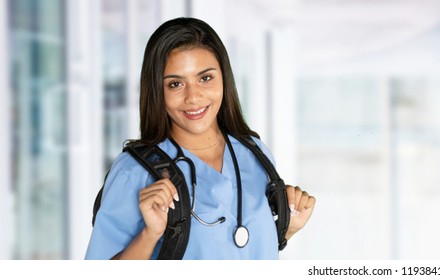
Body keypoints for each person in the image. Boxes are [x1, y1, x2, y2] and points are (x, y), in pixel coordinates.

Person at [85, 17, 315, 259]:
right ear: (156, 90)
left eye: (205, 78)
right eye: (175, 84)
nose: (193, 97)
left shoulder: (255, 153)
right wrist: (150, 234)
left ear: (224, 78)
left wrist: (284, 230)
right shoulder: (134, 172)